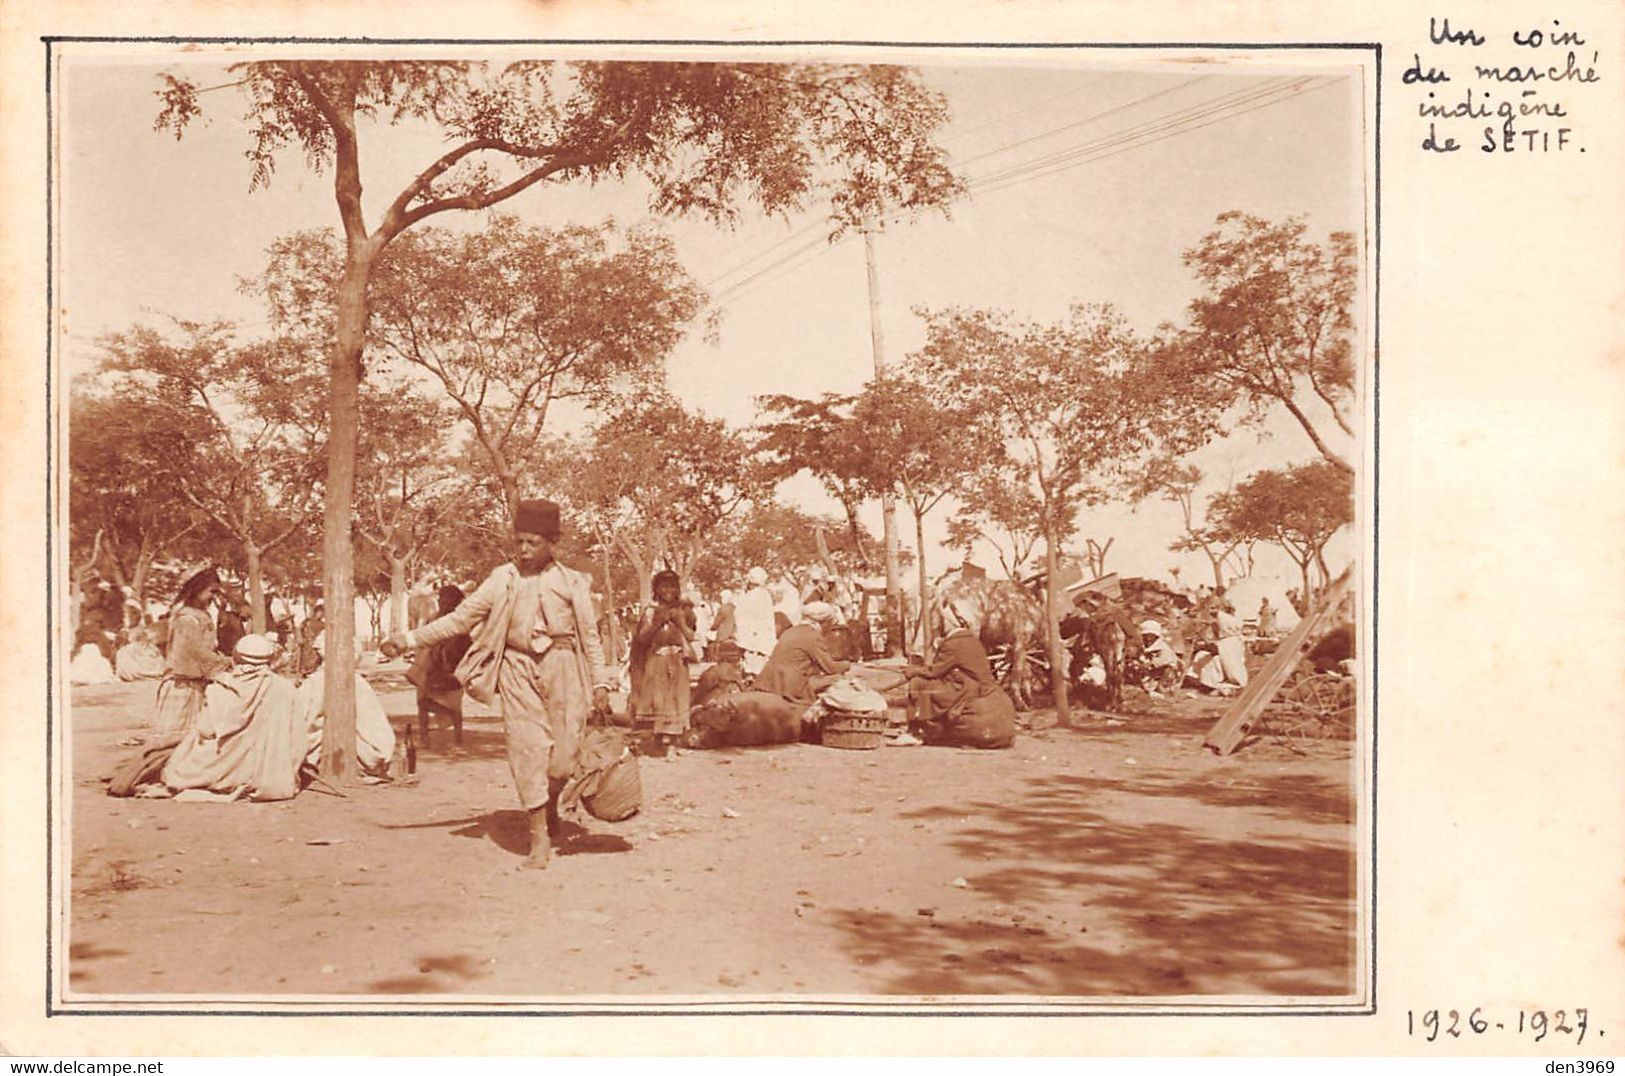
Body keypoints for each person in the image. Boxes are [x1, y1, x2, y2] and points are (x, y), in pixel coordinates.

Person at [383, 498, 611, 870]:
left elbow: (590, 636)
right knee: (527, 751)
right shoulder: (502, 579)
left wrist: (601, 683)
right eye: (519, 542)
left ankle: (551, 800)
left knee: (563, 760)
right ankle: (539, 837)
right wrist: (409, 639)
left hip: (563, 666)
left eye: (532, 543)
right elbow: (459, 619)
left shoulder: (572, 582)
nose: (523, 550)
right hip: (516, 668)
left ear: (552, 541)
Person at [160, 634, 308, 802]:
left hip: (218, 770)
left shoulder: (220, 688)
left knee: (179, 761)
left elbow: (206, 730)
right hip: (262, 771)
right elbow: (298, 740)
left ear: (237, 657)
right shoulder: (285, 689)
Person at [903, 597, 1015, 748]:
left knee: (919, 684)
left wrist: (913, 671)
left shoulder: (954, 643)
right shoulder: (970, 639)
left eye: (941, 622)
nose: (938, 625)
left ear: (948, 622)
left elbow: (934, 671)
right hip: (978, 686)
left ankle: (915, 731)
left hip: (966, 688)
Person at [151, 568, 231, 737]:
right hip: (182, 685)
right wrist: (224, 662)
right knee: (173, 740)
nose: (214, 597)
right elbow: (194, 650)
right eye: (212, 591)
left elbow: (207, 648)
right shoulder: (187, 617)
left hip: (196, 684)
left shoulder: (202, 615)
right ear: (198, 589)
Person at [630, 570, 696, 756]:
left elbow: (691, 636)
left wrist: (680, 622)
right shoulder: (650, 611)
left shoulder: (685, 610)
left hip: (678, 660)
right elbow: (642, 639)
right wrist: (657, 622)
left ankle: (672, 745)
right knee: (659, 702)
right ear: (656, 589)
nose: (668, 590)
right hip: (657, 660)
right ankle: (659, 740)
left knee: (676, 701)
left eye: (672, 586)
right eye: (664, 586)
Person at [407, 585, 472, 744]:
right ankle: (424, 737)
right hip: (431, 668)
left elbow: (465, 646)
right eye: (442, 600)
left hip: (452, 669)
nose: (444, 603)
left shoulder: (462, 622)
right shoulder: (433, 619)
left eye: (448, 601)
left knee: (454, 707)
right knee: (423, 703)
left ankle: (458, 738)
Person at [753, 601, 849, 706]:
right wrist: (847, 665)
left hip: (771, 680)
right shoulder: (813, 636)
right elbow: (831, 668)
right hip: (790, 686)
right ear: (823, 622)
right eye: (830, 623)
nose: (830, 628)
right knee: (838, 679)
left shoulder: (791, 631)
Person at [733, 567, 777, 676]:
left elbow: (738, 617)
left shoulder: (747, 597)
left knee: (750, 669)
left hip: (749, 641)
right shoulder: (766, 595)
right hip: (764, 640)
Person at [1214, 600, 1250, 688]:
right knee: (1236, 661)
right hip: (1234, 640)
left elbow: (1224, 629)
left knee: (1230, 662)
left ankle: (1236, 680)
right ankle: (1239, 680)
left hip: (1227, 641)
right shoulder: (1233, 618)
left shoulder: (1222, 616)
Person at [708, 588, 737, 661]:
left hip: (723, 635)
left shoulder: (724, 608)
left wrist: (710, 628)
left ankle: (713, 658)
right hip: (734, 634)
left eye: (721, 598)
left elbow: (715, 624)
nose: (720, 600)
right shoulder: (735, 607)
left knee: (710, 640)